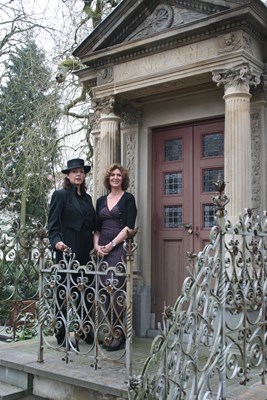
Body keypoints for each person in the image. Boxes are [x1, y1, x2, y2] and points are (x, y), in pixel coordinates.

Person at [48, 158, 96, 350]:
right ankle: (61, 333)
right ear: (68, 175)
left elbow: (93, 225)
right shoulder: (60, 195)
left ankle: (85, 330)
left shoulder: (87, 198)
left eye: (81, 172)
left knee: (85, 290)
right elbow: (52, 225)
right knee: (64, 291)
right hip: (67, 248)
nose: (78, 174)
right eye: (74, 171)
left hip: (86, 249)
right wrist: (57, 242)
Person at [94, 163, 137, 351]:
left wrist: (112, 245)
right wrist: (97, 246)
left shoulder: (128, 199)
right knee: (103, 291)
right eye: (113, 175)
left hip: (118, 248)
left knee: (116, 290)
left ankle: (119, 334)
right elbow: (95, 227)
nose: (116, 178)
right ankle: (113, 330)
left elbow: (129, 227)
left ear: (123, 179)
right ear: (108, 178)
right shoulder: (100, 200)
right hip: (101, 249)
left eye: (119, 175)